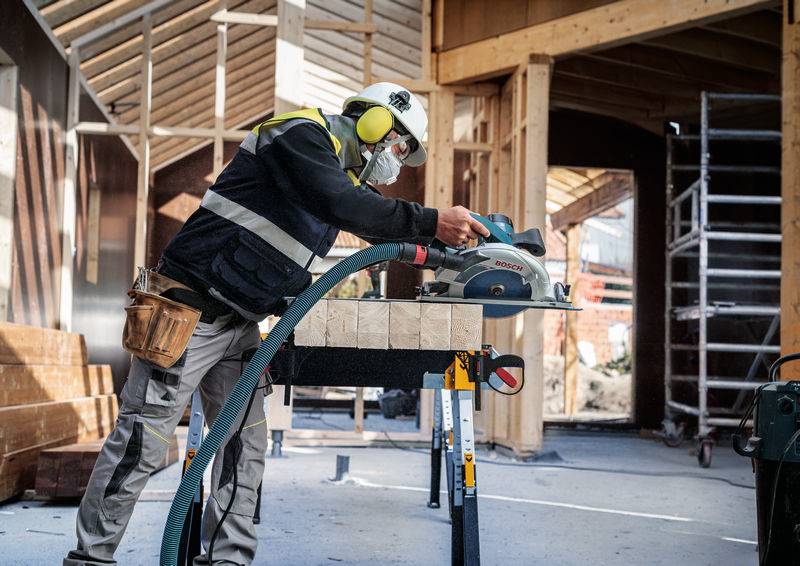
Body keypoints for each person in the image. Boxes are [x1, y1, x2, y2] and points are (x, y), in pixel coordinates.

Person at [64, 82, 490, 565]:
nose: (396, 160)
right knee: (143, 440)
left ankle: (226, 560)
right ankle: (91, 558)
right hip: (187, 312)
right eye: (398, 145)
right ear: (374, 122)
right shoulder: (300, 135)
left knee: (244, 447)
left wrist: (440, 252)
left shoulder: (336, 174)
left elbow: (367, 220)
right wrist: (434, 219)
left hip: (240, 324)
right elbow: (344, 205)